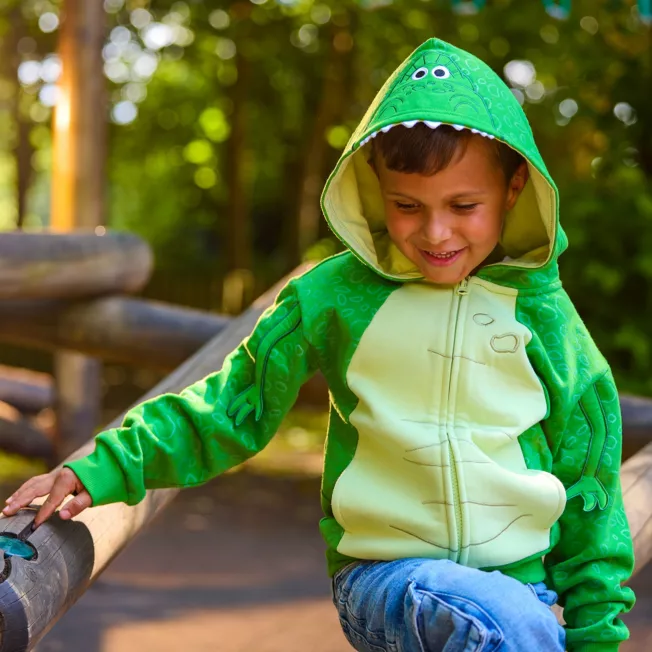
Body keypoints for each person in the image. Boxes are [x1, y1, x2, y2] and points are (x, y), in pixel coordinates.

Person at [3, 37, 634, 651]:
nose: (435, 232)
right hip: (385, 578)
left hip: (521, 590)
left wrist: (597, 631)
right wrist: (103, 466)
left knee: (508, 619)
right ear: (374, 188)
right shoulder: (334, 297)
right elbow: (229, 405)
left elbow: (589, 482)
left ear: (514, 189)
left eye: (463, 205)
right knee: (494, 618)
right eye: (407, 206)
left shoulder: (547, 321)